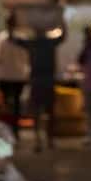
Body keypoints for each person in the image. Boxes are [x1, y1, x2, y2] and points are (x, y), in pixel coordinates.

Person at [12, 20, 66, 152]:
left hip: (43, 80)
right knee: (43, 111)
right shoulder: (37, 42)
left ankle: (46, 139)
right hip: (41, 80)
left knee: (45, 111)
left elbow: (13, 39)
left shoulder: (41, 42)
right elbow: (13, 39)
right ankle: (43, 139)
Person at [0, 14, 30, 140]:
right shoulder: (22, 38)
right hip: (19, 75)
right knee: (16, 104)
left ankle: (7, 130)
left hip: (5, 75)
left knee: (6, 104)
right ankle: (15, 131)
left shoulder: (1, 39)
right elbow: (27, 58)